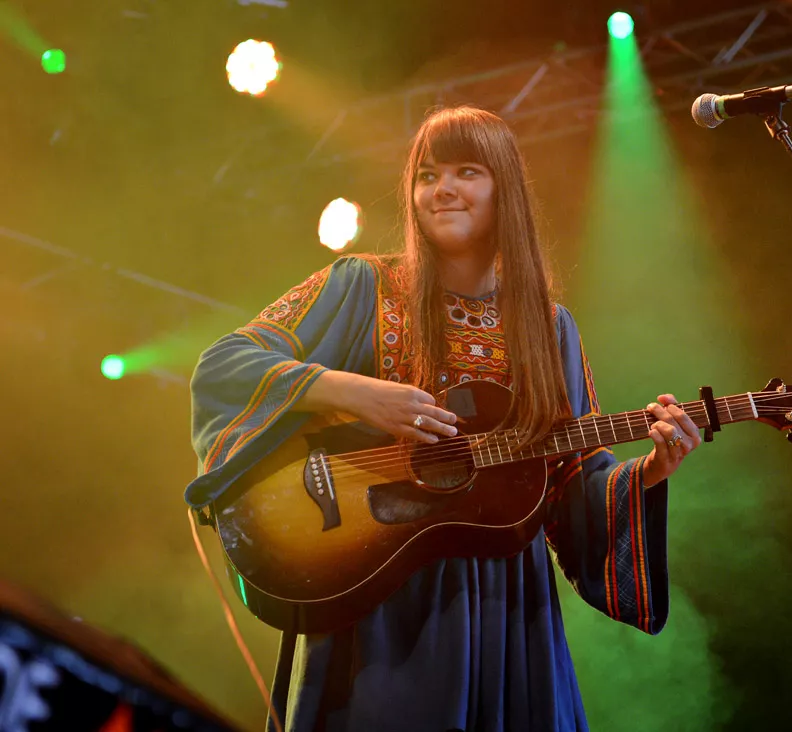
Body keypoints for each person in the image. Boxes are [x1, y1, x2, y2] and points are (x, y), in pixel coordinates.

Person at [185, 106, 702, 732]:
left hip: (506, 605)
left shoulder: (549, 328)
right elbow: (226, 365)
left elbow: (569, 479)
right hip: (375, 596)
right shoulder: (359, 286)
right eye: (427, 175)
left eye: (467, 171)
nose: (442, 189)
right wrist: (353, 392)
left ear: (503, 191)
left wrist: (647, 472)